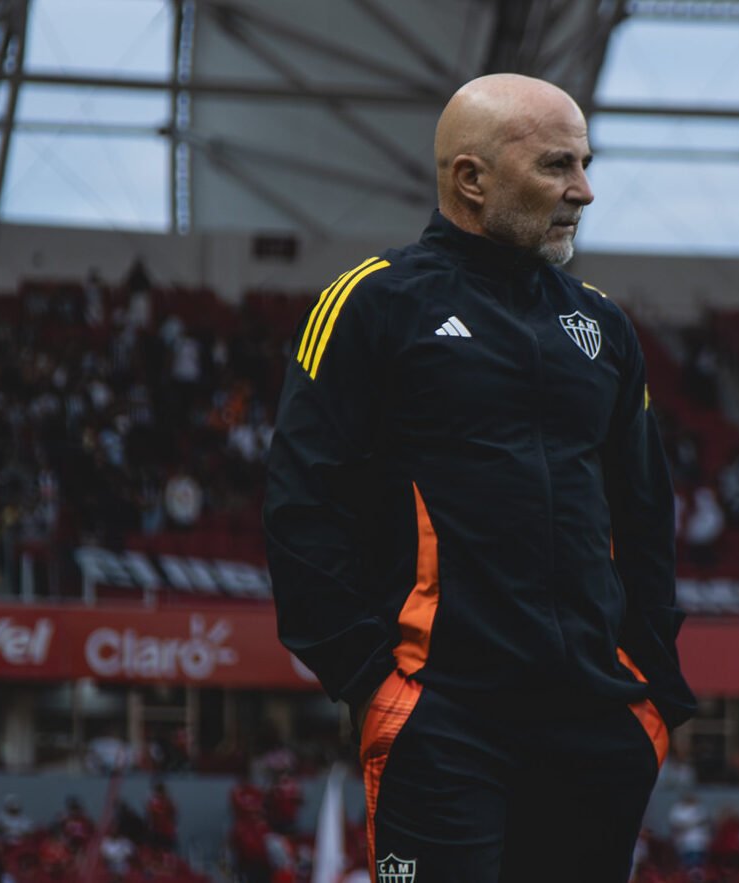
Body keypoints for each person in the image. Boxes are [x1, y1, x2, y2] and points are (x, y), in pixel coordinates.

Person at [263, 73, 694, 883]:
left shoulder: (601, 325)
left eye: (585, 163)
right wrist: (369, 680)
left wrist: (650, 688)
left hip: (598, 720)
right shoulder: (367, 304)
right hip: (444, 715)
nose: (584, 191)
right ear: (471, 178)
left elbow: (643, 516)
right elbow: (300, 507)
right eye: (557, 167)